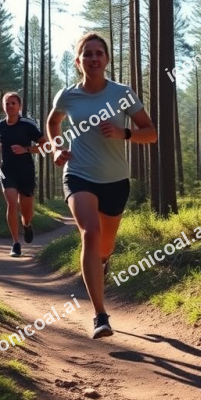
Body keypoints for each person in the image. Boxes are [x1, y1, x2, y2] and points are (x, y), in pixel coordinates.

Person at [47, 33, 157, 338]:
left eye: (99, 53)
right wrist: (57, 148)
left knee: (104, 247)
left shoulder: (122, 94)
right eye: (87, 54)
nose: (93, 59)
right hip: (79, 174)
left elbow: (151, 132)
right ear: (78, 61)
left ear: (107, 60)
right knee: (90, 233)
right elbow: (53, 123)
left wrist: (124, 133)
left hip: (115, 180)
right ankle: (100, 315)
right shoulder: (67, 96)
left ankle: (103, 262)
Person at [0, 92, 48, 257]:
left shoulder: (28, 125)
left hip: (26, 172)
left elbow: (45, 145)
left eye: (13, 103)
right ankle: (15, 243)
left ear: (19, 106)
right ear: (3, 106)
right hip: (7, 171)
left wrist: (26, 149)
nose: (9, 106)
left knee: (26, 211)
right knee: (11, 203)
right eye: (6, 103)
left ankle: (28, 224)